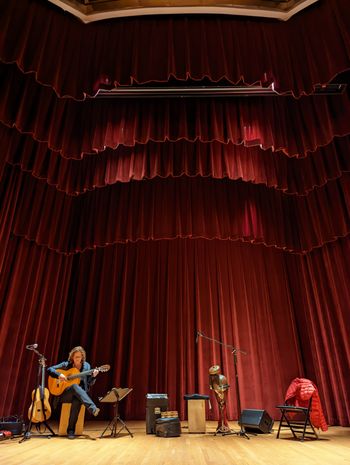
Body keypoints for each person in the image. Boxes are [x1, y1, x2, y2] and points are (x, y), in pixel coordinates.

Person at [47, 345, 100, 439]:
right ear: (72, 357)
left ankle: (70, 430)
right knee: (75, 386)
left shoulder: (87, 366)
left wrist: (93, 376)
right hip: (63, 394)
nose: (77, 359)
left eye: (79, 357)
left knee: (77, 400)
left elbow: (88, 383)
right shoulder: (66, 364)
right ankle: (92, 407)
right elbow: (49, 369)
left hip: (79, 394)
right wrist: (59, 375)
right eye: (75, 357)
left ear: (82, 357)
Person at [209, 365, 230, 433]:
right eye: (211, 375)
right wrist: (217, 392)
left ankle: (224, 425)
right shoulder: (211, 379)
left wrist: (220, 394)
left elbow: (223, 389)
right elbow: (212, 387)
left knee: (222, 406)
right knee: (220, 406)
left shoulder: (222, 378)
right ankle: (221, 425)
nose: (212, 377)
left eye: (214, 375)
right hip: (217, 391)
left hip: (222, 391)